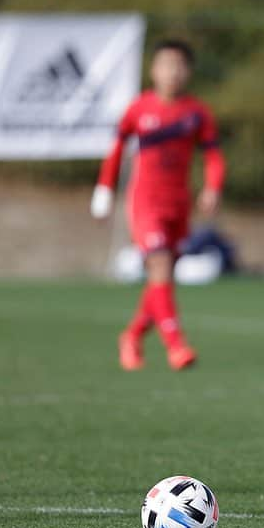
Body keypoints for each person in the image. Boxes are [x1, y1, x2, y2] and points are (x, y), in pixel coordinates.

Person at [90, 38, 226, 371]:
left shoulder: (196, 113)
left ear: (188, 72)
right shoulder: (139, 109)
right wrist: (104, 188)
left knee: (161, 280)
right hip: (145, 201)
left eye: (179, 66)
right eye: (165, 65)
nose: (172, 73)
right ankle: (176, 346)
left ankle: (132, 335)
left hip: (178, 204)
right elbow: (116, 149)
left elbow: (213, 156)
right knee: (161, 267)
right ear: (153, 70)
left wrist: (212, 187)